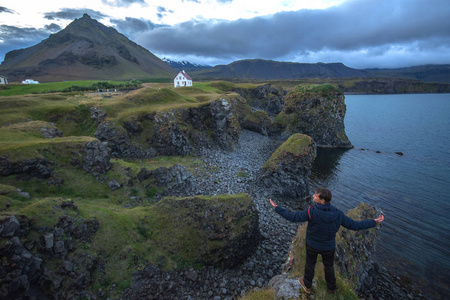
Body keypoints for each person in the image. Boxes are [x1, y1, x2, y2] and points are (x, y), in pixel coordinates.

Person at [270, 187, 384, 294]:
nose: (313, 196)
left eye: (316, 196)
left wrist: (277, 208)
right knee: (328, 266)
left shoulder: (311, 211)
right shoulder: (338, 213)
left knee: (310, 264)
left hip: (312, 245)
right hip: (328, 247)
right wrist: (373, 222)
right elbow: (354, 225)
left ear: (323, 200)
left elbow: (292, 217)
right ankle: (331, 288)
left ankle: (307, 285)